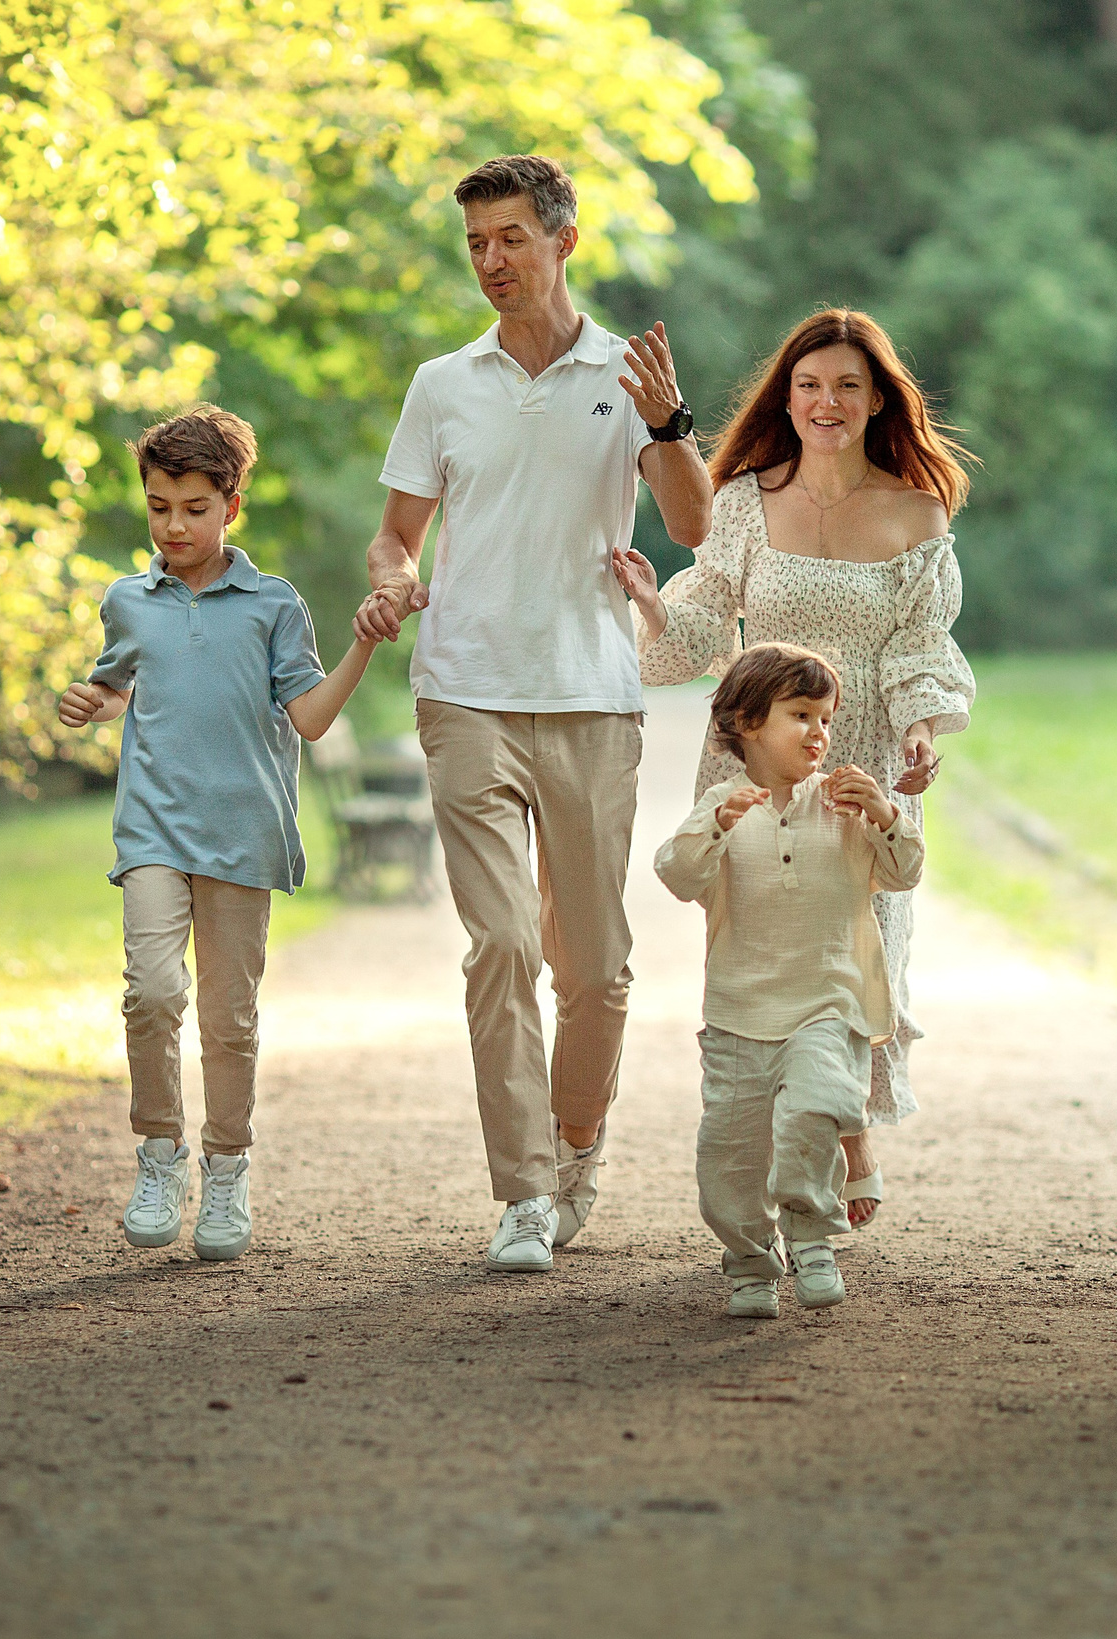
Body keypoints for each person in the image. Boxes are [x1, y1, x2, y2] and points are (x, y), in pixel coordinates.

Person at [354, 155, 712, 1274]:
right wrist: (392, 579)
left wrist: (672, 424)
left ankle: (574, 1143)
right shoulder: (441, 383)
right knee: (500, 944)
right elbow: (396, 532)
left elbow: (694, 526)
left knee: (594, 963)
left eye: (509, 239)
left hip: (593, 695)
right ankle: (521, 1193)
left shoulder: (627, 373)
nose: (490, 262)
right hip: (464, 688)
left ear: (563, 241)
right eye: (475, 244)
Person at [611, 308, 973, 1232]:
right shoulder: (744, 500)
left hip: (860, 767)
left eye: (849, 385)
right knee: (764, 951)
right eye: (809, 385)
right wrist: (654, 607)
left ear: (878, 399)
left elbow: (922, 648)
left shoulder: (914, 510)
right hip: (755, 773)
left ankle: (845, 1132)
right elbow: (703, 625)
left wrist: (923, 733)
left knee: (857, 954)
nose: (827, 402)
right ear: (788, 396)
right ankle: (780, 1135)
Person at [57, 404, 383, 1262]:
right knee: (152, 992)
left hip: (242, 835)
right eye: (160, 506)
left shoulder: (274, 606)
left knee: (228, 1019)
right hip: (154, 830)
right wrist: (92, 700)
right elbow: (125, 682)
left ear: (230, 506)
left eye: (194, 508)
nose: (175, 526)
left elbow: (308, 718)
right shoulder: (129, 600)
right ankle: (159, 1153)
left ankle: (227, 1168)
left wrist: (361, 646)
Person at [655, 644, 924, 1317]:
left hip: (828, 1006)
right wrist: (715, 826)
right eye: (801, 714)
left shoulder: (843, 804)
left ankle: (810, 1235)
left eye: (826, 719)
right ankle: (748, 1257)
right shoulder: (723, 805)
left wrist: (887, 815)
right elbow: (676, 873)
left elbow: (904, 872)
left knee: (815, 1110)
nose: (819, 733)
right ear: (747, 721)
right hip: (738, 1014)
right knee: (730, 1156)